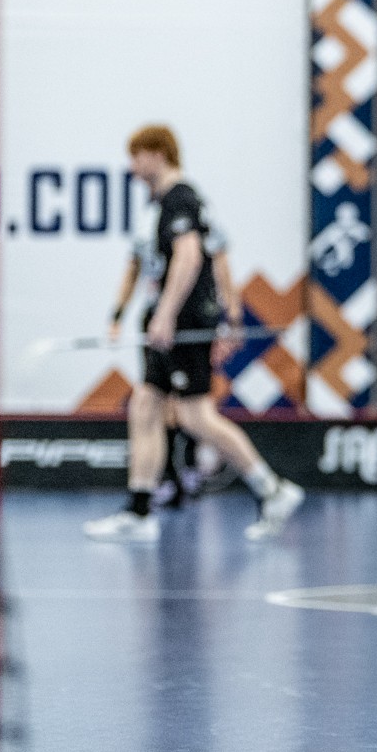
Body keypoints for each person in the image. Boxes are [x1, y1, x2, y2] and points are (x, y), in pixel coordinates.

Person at [83, 125, 305, 543]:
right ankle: (139, 509)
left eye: (137, 156)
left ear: (158, 154)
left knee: (194, 416)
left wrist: (168, 315)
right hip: (168, 319)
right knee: (145, 405)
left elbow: (191, 258)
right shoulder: (159, 205)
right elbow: (140, 266)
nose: (132, 166)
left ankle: (271, 489)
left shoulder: (181, 198)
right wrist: (125, 314)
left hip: (183, 321)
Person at [104, 201, 247, 508]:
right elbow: (134, 269)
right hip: (158, 322)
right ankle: (161, 482)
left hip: (188, 321)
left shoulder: (189, 211)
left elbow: (219, 266)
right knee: (153, 400)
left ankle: (261, 484)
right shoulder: (148, 221)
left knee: (190, 408)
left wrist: (231, 317)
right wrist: (117, 314)